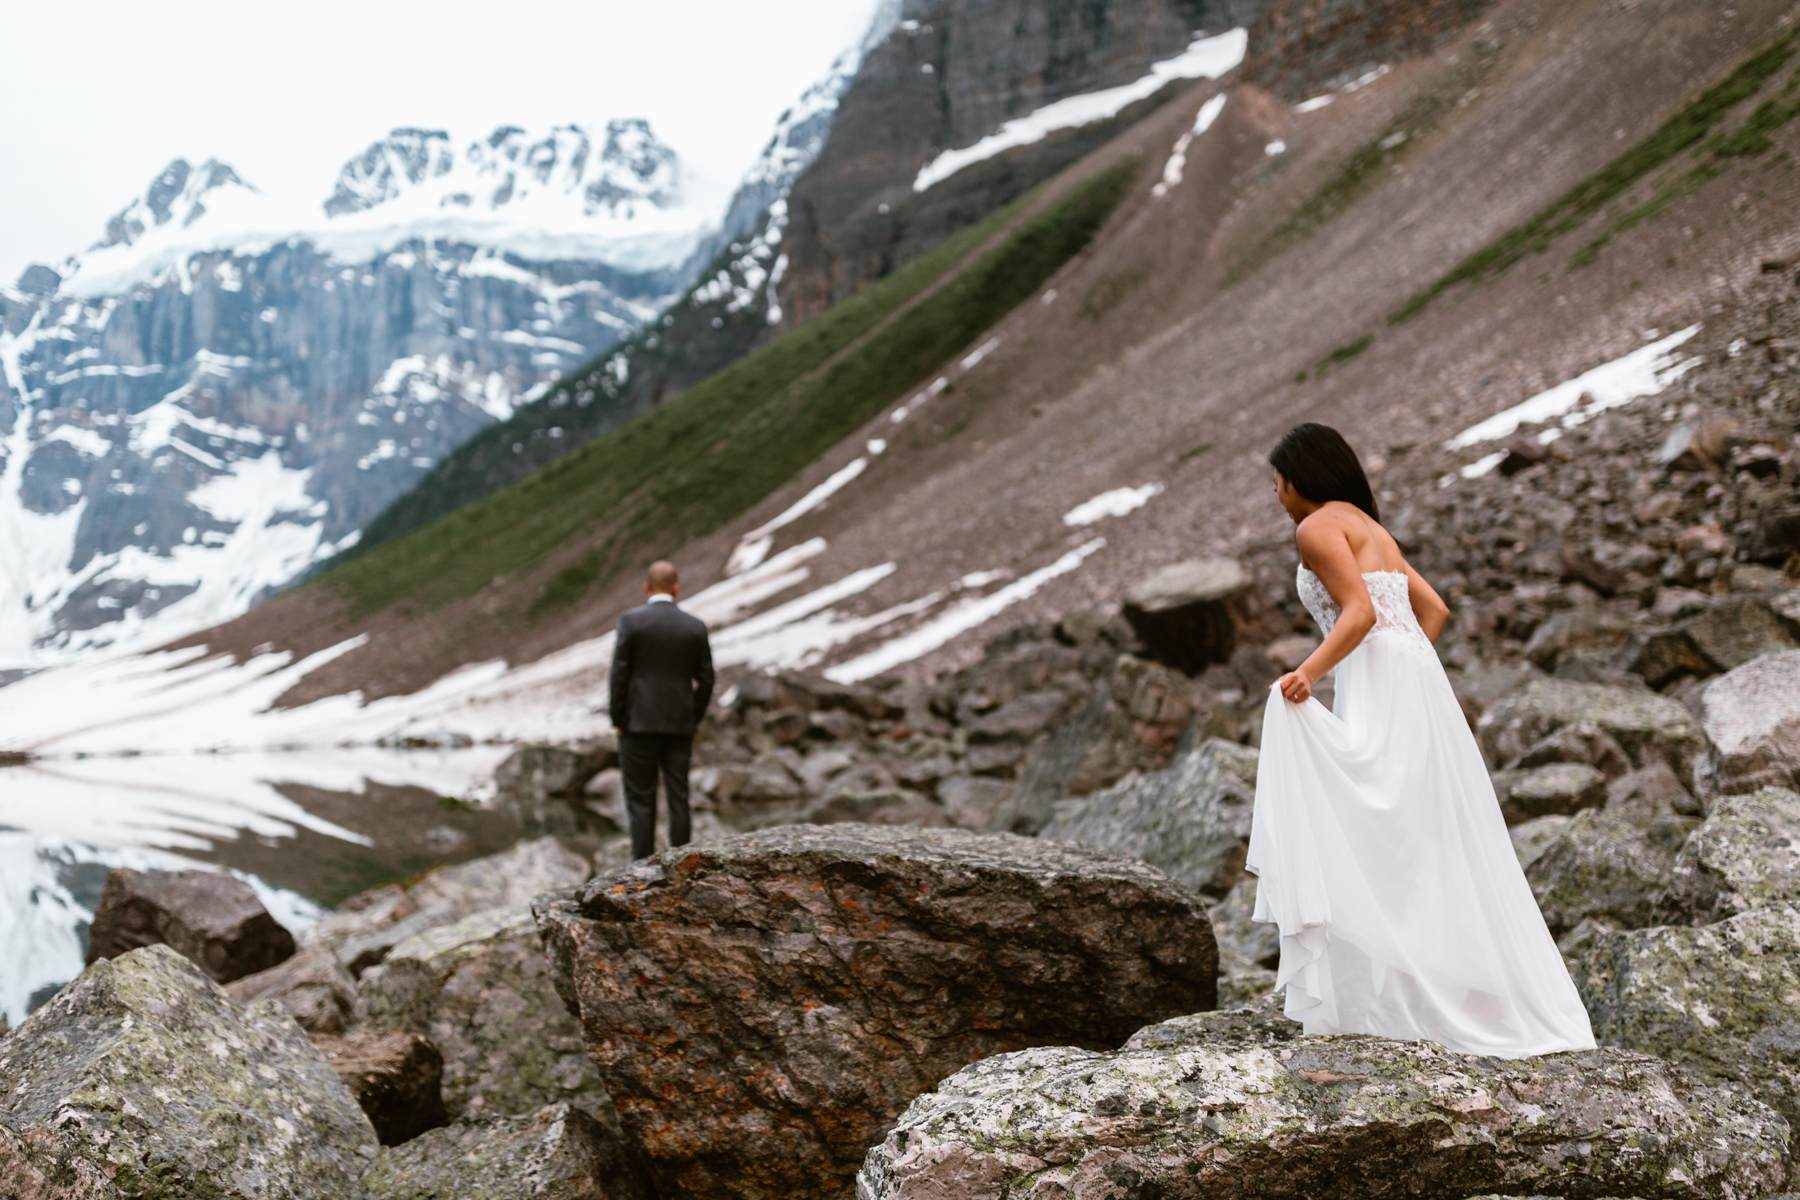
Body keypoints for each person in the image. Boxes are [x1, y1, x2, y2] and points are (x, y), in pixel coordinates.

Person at [1245, 421, 1596, 1057]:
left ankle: (1411, 993)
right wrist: (1402, 667)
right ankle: (1446, 985)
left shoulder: (1318, 525)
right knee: (1417, 828)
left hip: (1380, 672)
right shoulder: (1372, 527)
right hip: (1413, 677)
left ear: (1301, 477)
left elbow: (1360, 612)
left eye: (1277, 481)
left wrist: (1309, 673)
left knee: (1377, 824)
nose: (1276, 494)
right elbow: (1431, 612)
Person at [607, 561, 715, 860]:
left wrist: (618, 717)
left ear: (646, 586)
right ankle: (681, 864)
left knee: (641, 799)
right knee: (679, 795)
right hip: (679, 724)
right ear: (676, 587)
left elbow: (619, 675)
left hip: (637, 722)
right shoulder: (694, 626)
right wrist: (693, 716)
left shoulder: (631, 622)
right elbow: (706, 679)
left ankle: (640, 867)